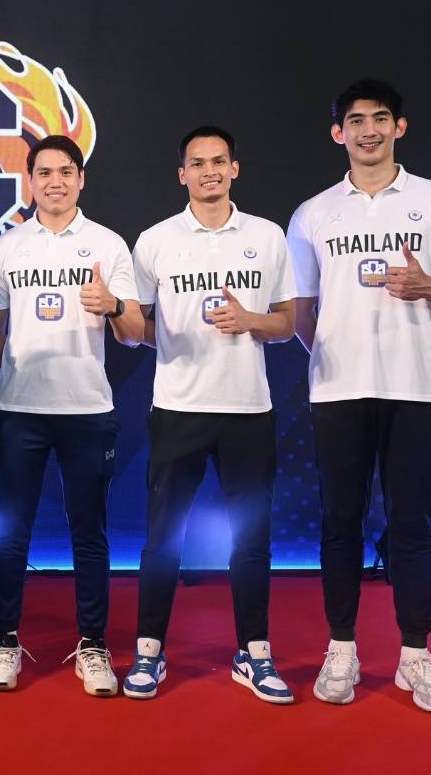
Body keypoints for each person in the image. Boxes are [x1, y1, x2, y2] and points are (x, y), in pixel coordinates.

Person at [287, 79, 431, 715]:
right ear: (338, 133)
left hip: (417, 390)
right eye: (356, 120)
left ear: (399, 127)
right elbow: (302, 311)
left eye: (380, 118)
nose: (368, 130)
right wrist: (335, 351)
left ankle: (415, 655)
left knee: (412, 525)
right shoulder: (313, 213)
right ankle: (341, 648)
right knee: (340, 522)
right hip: (339, 391)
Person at [123, 127, 296, 703]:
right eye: (197, 164)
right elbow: (137, 327)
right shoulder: (155, 241)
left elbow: (287, 324)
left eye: (219, 161)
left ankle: (254, 653)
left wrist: (251, 320)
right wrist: (148, 330)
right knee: (162, 538)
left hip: (248, 410)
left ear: (234, 169)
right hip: (178, 409)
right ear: (182, 175)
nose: (209, 172)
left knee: (251, 539)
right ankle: (149, 651)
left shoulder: (267, 236)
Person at [0, 135, 144, 695]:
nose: (55, 181)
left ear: (81, 179)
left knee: (89, 531)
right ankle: (5, 641)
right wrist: (21, 369)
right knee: (11, 532)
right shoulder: (6, 247)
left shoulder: (108, 244)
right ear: (30, 181)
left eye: (66, 171)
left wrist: (113, 306)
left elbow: (135, 333)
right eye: (44, 172)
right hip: (18, 410)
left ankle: (93, 646)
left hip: (87, 410)